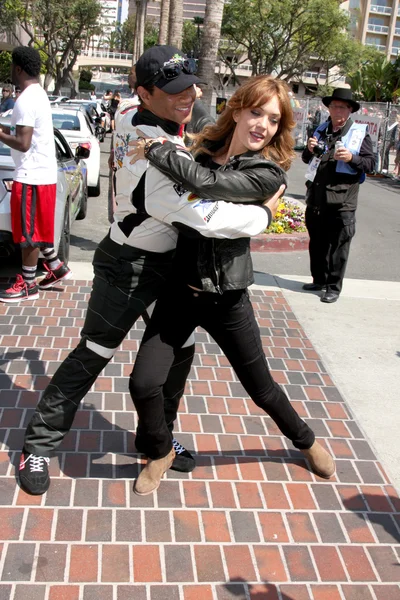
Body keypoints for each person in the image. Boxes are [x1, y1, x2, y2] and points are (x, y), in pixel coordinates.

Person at [18, 45, 282, 496]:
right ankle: (39, 442)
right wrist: (263, 217)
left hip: (172, 266)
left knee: (178, 353)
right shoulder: (145, 136)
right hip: (130, 266)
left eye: (190, 85)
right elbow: (196, 214)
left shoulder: (154, 123)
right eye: (173, 90)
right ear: (142, 92)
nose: (190, 95)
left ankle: (156, 441)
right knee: (95, 353)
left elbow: (199, 137)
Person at [126, 74, 336, 496]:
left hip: (228, 300)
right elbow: (193, 130)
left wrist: (155, 149)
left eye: (274, 120)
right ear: (238, 109)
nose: (263, 125)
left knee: (261, 389)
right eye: (256, 112)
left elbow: (206, 186)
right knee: (143, 383)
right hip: (180, 291)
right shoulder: (203, 150)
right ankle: (161, 450)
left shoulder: (266, 174)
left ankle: (306, 440)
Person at [0, 47, 72, 304]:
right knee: (37, 229)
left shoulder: (26, 99)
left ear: (18, 68)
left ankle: (27, 285)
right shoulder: (37, 94)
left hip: (31, 176)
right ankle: (56, 267)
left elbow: (22, 142)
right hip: (42, 174)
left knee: (27, 234)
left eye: (11, 66)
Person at [301, 88, 375, 303]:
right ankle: (319, 279)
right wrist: (308, 148)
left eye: (342, 106)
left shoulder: (360, 133)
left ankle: (333, 287)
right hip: (317, 197)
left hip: (342, 201)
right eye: (333, 106)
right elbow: (308, 159)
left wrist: (352, 157)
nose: (337, 110)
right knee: (317, 242)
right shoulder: (321, 130)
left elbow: (371, 163)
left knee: (339, 246)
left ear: (350, 110)